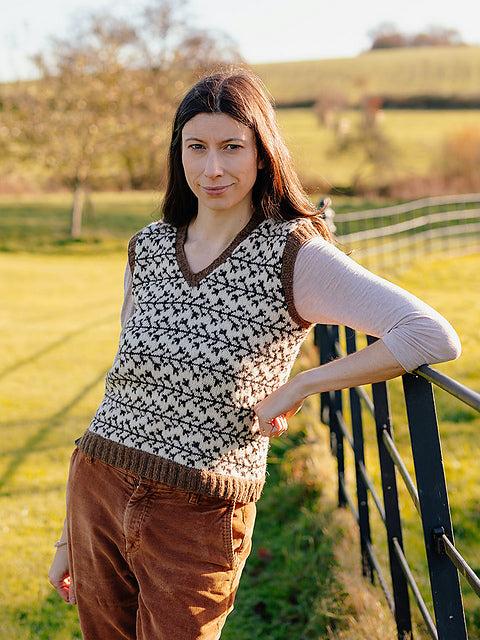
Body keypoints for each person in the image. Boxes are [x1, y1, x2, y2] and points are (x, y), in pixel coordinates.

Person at [48, 67, 461, 640]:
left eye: (231, 148)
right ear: (178, 153)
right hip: (98, 484)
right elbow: (124, 382)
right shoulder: (148, 246)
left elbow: (429, 333)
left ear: (263, 154)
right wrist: (68, 535)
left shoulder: (295, 254)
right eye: (196, 147)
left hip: (199, 511)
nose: (212, 168)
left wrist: (301, 385)